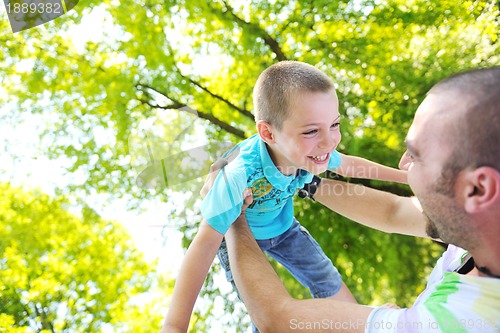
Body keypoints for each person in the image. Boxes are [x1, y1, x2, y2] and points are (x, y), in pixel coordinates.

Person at [221, 66, 500, 332]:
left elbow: (278, 320)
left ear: (478, 188)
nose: (403, 163)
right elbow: (392, 211)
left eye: (417, 155)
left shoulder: (458, 321)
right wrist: (307, 180)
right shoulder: (476, 227)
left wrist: (232, 214)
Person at [161, 61, 407, 333]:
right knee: (263, 308)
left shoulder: (311, 151)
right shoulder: (238, 174)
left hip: (283, 227)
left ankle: (370, 324)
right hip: (242, 238)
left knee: (324, 274)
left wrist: (407, 177)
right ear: (268, 133)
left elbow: (350, 165)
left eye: (334, 124)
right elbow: (204, 243)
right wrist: (174, 326)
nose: (329, 141)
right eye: (312, 131)